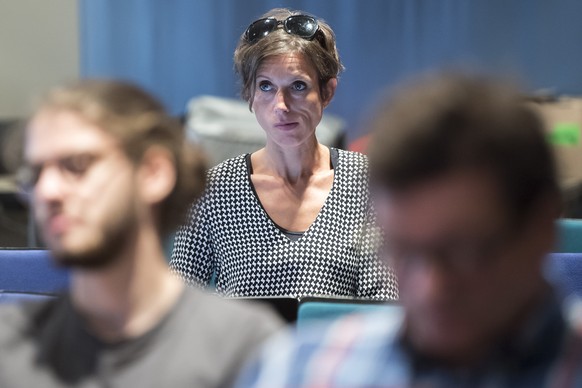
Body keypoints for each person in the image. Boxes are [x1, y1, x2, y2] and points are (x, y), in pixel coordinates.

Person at [238, 74, 582, 386]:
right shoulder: (299, 370)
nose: (431, 288)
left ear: (541, 229)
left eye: (463, 253)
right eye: (404, 252)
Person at [0, 80, 282, 387]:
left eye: (77, 165)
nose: (47, 191)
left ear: (153, 173)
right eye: (36, 174)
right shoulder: (12, 344)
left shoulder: (244, 346)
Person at [171, 8, 398, 300]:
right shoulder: (213, 190)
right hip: (246, 346)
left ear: (327, 92)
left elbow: (383, 303)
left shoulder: (367, 182)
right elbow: (179, 305)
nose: (281, 105)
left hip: (338, 345)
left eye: (298, 86)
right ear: (249, 95)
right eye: (265, 86)